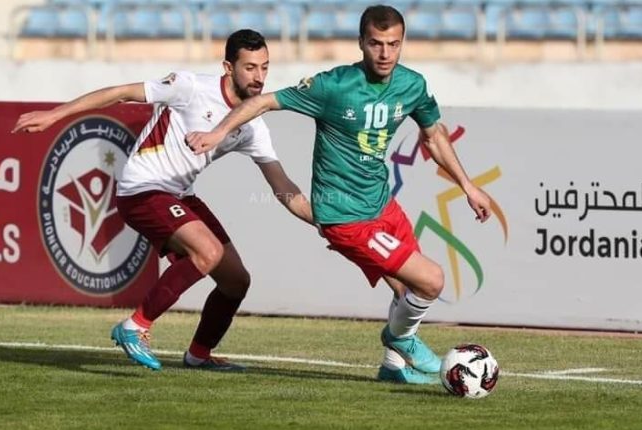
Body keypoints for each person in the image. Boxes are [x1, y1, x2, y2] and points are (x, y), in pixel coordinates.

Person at [186, 6, 492, 384]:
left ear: (402, 43)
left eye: (393, 44)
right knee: (431, 281)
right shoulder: (332, 86)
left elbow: (433, 136)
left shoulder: (412, 85)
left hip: (382, 203)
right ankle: (399, 339)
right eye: (376, 43)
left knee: (406, 289)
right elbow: (263, 101)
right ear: (361, 42)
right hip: (346, 217)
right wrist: (217, 133)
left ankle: (393, 367)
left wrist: (467, 185)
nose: (385, 53)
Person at [12, 29, 313, 371]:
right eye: (250, 67)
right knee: (208, 252)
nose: (259, 77)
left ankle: (198, 355)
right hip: (141, 188)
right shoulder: (190, 87)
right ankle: (135, 326)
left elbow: (281, 185)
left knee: (236, 281)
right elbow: (121, 93)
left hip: (180, 194)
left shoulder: (252, 126)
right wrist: (54, 115)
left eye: (264, 67)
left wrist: (324, 220)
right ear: (228, 68)